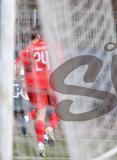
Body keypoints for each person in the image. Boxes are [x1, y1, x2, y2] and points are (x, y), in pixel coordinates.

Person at [15, 25, 59, 157]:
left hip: (33, 84)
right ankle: (50, 128)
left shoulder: (26, 50)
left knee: (41, 112)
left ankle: (40, 143)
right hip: (49, 81)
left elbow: (17, 69)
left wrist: (21, 83)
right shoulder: (50, 45)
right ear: (39, 36)